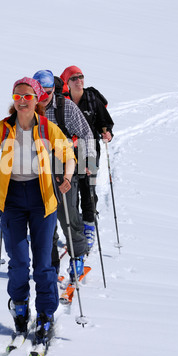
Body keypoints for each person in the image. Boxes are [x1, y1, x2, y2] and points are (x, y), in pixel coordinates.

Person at [0, 77, 76, 345]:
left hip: (43, 200)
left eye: (27, 97)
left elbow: (68, 154)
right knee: (19, 262)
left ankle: (45, 314)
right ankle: (20, 306)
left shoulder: (47, 128)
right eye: (17, 96)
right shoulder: (3, 128)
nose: (22, 101)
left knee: (43, 264)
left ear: (36, 100)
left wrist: (66, 176)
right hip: (12, 202)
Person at [33, 70, 97, 281]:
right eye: (39, 93)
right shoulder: (28, 107)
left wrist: (88, 162)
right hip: (38, 173)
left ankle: (77, 257)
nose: (43, 98)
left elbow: (87, 133)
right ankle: (50, 265)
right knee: (44, 221)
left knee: (68, 215)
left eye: (48, 92)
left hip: (64, 170)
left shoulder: (65, 107)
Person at [60, 66, 114, 250]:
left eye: (81, 77)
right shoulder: (63, 102)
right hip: (67, 152)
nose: (79, 80)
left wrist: (107, 132)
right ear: (67, 82)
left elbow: (104, 121)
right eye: (74, 78)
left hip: (89, 150)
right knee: (71, 189)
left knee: (88, 187)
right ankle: (75, 230)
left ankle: (89, 224)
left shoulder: (91, 98)